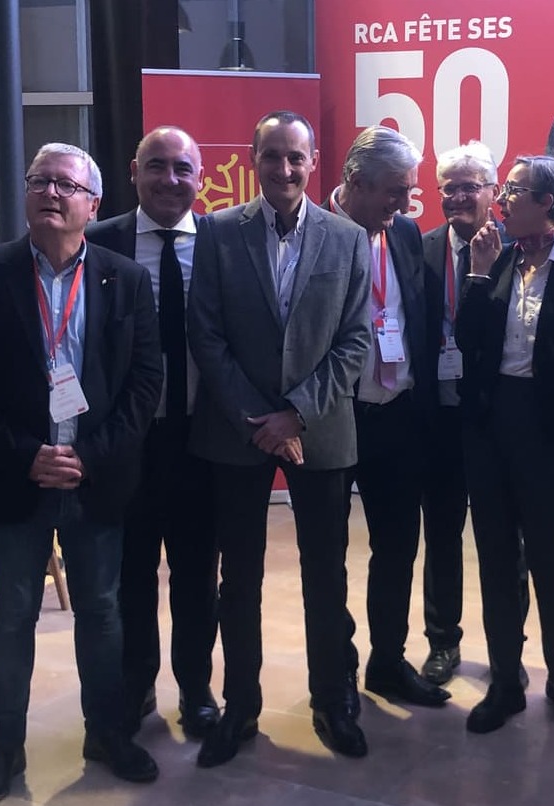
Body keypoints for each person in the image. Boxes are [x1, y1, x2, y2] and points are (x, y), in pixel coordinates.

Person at [0, 143, 163, 806]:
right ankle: (3, 746)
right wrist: (22, 453)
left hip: (94, 482)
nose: (51, 192)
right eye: (40, 180)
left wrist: (89, 457)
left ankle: (107, 732)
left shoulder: (125, 277)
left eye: (67, 184)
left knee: (101, 612)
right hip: (17, 483)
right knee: (11, 619)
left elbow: (144, 384)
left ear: (93, 205)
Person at [186, 111, 372, 766]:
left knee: (326, 574)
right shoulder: (216, 232)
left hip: (320, 431)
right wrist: (257, 419)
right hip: (236, 433)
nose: (284, 169)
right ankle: (240, 704)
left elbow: (356, 339)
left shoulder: (349, 239)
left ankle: (332, 697)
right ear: (254, 158)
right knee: (238, 578)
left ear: (312, 160)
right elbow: (204, 334)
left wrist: (295, 414)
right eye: (272, 156)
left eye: (295, 158)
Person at [454, 155, 554, 735]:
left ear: (548, 202)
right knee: (497, 559)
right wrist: (474, 276)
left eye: (514, 190)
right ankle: (504, 682)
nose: (502, 198)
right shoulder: (497, 256)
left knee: (549, 560)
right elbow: (468, 339)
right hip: (492, 422)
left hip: (550, 432)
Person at [87, 126, 221, 741]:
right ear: (134, 172)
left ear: (201, 177)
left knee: (198, 576)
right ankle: (135, 686)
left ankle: (197, 690)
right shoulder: (98, 242)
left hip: (201, 440)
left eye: (184, 169)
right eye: (158, 167)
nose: (171, 180)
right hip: (127, 442)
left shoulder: (223, 242)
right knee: (130, 576)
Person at [329, 125, 449, 710]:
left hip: (398, 417)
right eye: (395, 192)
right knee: (326, 556)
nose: (406, 205)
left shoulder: (402, 234)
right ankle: (337, 672)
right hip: (334, 417)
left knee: (398, 546)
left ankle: (387, 661)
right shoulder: (314, 233)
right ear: (356, 182)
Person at [419, 142, 528, 689]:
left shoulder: (519, 251)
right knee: (440, 531)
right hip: (437, 414)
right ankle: (442, 642)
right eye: (450, 187)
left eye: (471, 186)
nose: (459, 196)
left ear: (494, 191)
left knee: (504, 538)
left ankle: (511, 647)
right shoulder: (420, 247)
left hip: (495, 416)